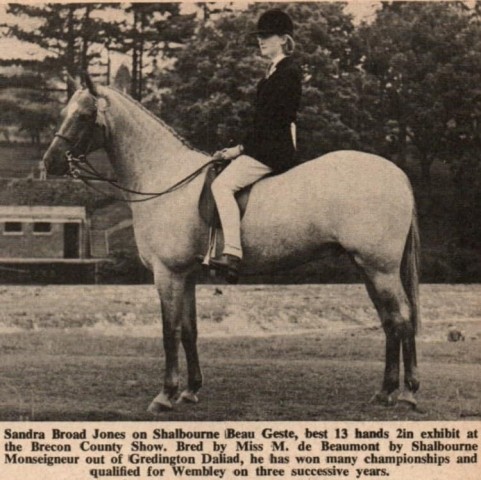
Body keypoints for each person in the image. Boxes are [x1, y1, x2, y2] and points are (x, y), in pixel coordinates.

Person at [209, 9, 302, 282]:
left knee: (221, 186)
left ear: (283, 39)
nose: (260, 41)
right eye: (259, 36)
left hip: (272, 150)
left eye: (266, 36)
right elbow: (262, 121)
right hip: (267, 145)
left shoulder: (287, 72)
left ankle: (233, 252)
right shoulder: (274, 71)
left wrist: (239, 150)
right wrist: (238, 146)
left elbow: (273, 120)